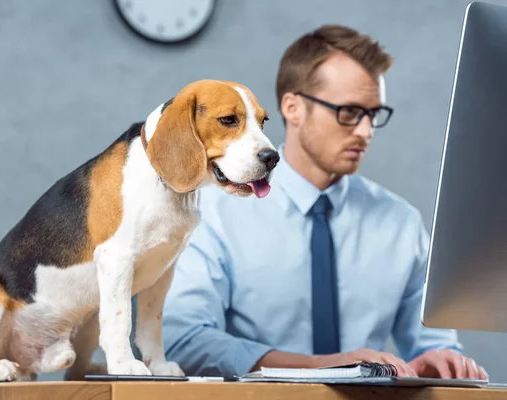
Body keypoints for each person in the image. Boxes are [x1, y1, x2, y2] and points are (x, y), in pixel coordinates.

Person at [160, 24, 488, 380]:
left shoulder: (401, 223)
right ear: (293, 108)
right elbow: (185, 341)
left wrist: (439, 360)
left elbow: (432, 343)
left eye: (373, 115)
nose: (365, 132)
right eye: (349, 112)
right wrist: (326, 367)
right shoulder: (211, 213)